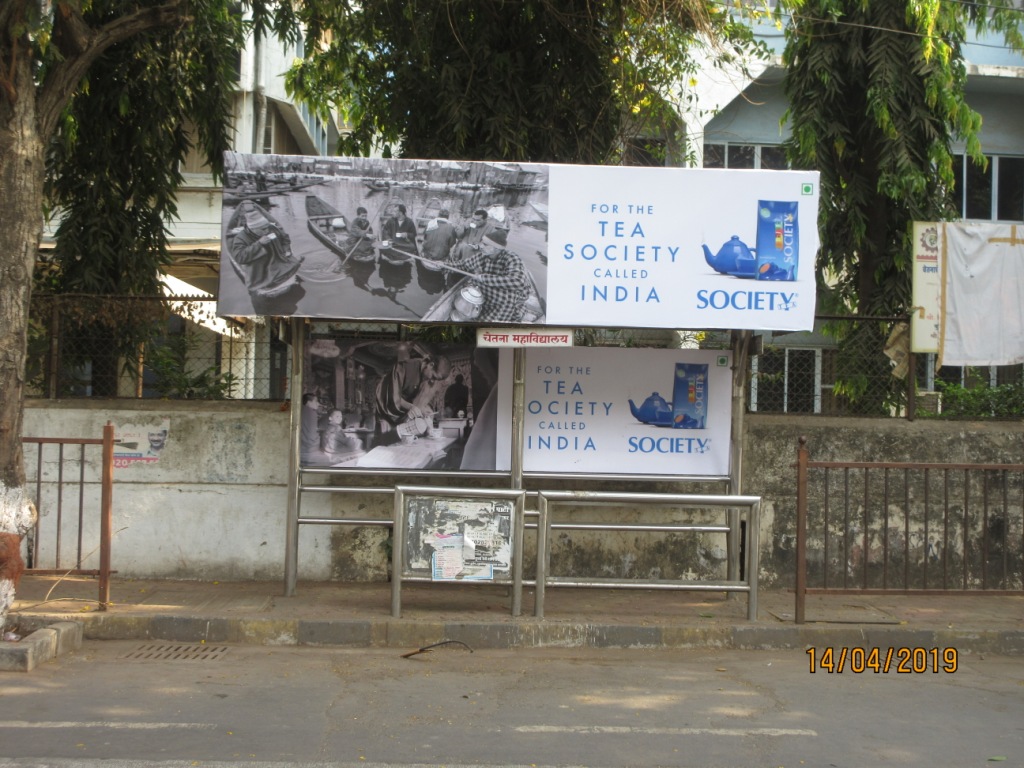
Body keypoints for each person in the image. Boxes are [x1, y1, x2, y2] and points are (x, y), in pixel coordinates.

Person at [450, 228, 527, 322]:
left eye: (485, 244)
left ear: (496, 248)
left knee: (488, 322)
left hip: (503, 299)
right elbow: (463, 265)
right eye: (481, 242)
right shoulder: (483, 255)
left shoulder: (511, 258)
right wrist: (444, 264)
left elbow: (518, 281)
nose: (480, 246)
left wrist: (483, 278)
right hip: (487, 292)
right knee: (469, 288)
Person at [229, 203, 303, 296]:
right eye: (263, 229)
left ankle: (281, 271)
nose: (267, 231)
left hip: (276, 258)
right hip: (259, 266)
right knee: (266, 280)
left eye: (267, 228)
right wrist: (258, 244)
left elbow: (285, 238)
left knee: (294, 264)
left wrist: (286, 250)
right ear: (253, 229)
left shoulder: (271, 228)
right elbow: (239, 258)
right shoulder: (240, 238)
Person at [374, 354, 453, 440]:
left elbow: (425, 401)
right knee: (385, 444)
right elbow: (393, 397)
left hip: (404, 418)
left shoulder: (429, 379)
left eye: (436, 379)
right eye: (433, 377)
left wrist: (426, 410)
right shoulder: (404, 367)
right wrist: (411, 407)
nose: (432, 381)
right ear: (430, 365)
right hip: (388, 413)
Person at [300, 393, 321, 461]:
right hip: (309, 448)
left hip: (301, 446)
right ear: (309, 402)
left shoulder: (301, 410)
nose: (318, 404)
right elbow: (311, 437)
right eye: (316, 401)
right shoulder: (312, 413)